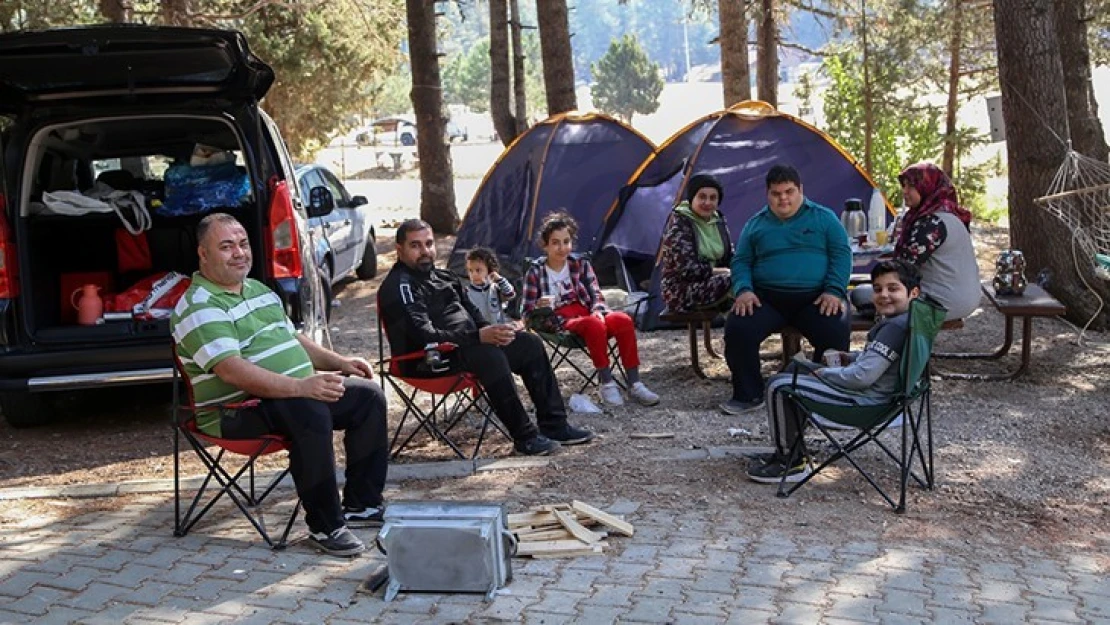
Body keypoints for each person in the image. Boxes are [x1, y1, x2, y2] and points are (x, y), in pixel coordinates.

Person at [171, 213, 387, 558]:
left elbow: (293, 339)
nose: (239, 253)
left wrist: (339, 363)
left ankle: (362, 504)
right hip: (234, 411)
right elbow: (232, 372)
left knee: (368, 398)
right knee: (310, 410)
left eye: (242, 244)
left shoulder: (257, 289)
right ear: (203, 254)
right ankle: (325, 526)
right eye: (226, 247)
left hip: (286, 397)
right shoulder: (199, 306)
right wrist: (303, 388)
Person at [379, 219, 594, 456]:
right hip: (426, 359)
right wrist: (479, 337)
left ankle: (555, 426)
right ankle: (525, 437)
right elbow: (423, 334)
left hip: (465, 347)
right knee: (488, 355)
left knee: (528, 344)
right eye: (415, 246)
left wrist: (495, 332)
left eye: (429, 243)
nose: (425, 251)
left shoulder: (445, 277)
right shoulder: (401, 285)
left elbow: (473, 313)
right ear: (399, 250)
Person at [746, 259, 923, 484]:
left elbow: (862, 377)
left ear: (913, 292)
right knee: (795, 368)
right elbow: (882, 361)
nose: (884, 295)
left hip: (867, 403)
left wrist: (825, 374)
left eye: (893, 288)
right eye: (878, 289)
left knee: (778, 385)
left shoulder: (894, 328)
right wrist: (851, 358)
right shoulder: (908, 320)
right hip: (887, 396)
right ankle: (793, 447)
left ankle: (788, 461)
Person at [722, 164, 852, 415]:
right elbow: (741, 261)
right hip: (767, 298)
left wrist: (835, 290)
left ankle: (827, 393)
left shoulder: (824, 218)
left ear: (800, 190)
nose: (783, 198)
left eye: (789, 191)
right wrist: (744, 290)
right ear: (767, 194)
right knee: (739, 326)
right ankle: (748, 395)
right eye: (776, 193)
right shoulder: (755, 224)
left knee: (835, 326)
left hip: (816, 297)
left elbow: (841, 254)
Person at [521, 211, 660, 408]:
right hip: (558, 320)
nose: (562, 248)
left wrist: (598, 310)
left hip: (587, 315)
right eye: (555, 242)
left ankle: (635, 383)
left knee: (622, 320)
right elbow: (526, 311)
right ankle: (607, 383)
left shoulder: (580, 264)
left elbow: (596, 295)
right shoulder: (536, 272)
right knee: (593, 324)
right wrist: (539, 306)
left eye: (566, 241)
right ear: (545, 245)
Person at [893, 162, 980, 320]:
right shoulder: (949, 214)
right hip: (966, 297)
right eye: (903, 186)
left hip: (944, 302)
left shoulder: (931, 224)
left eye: (911, 186)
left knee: (867, 296)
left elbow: (903, 268)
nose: (905, 192)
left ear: (927, 187)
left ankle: (887, 343)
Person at [660, 173, 735, 312]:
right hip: (681, 290)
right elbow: (688, 270)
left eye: (713, 198)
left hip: (711, 282)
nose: (707, 203)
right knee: (733, 281)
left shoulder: (718, 222)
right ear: (692, 198)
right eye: (702, 197)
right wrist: (720, 272)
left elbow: (730, 256)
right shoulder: (680, 226)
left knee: (751, 278)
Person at [465, 247, 517, 325]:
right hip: (479, 333)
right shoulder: (466, 293)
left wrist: (500, 280)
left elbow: (510, 294)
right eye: (470, 270)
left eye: (478, 270)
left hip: (498, 330)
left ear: (489, 270)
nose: (474, 274)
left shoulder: (495, 289)